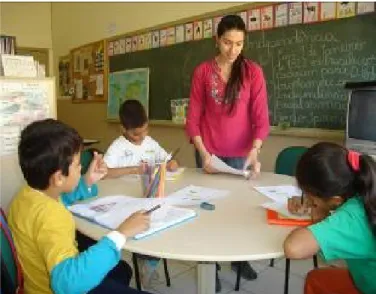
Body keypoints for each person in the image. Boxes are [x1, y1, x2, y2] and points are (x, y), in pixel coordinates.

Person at [8, 119, 151, 294]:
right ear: (59, 177)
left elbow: (62, 198)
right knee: (119, 269)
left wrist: (87, 181)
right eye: (77, 165)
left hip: (35, 283)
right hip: (62, 287)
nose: (81, 168)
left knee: (121, 270)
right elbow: (67, 284)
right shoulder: (52, 217)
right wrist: (121, 233)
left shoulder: (26, 196)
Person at [186, 14, 270, 290]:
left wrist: (255, 150)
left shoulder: (252, 72)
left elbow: (261, 117)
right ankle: (210, 268)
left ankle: (238, 258)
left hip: (241, 155)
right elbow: (194, 116)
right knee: (209, 210)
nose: (233, 50)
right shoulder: (202, 72)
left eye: (239, 44)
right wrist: (203, 152)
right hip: (209, 153)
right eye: (227, 43)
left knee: (239, 213)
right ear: (217, 40)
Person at [284, 142, 376, 294]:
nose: (307, 199)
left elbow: (293, 248)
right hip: (365, 279)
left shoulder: (353, 218)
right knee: (316, 279)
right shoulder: (367, 188)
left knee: (317, 281)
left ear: (336, 200)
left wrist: (319, 211)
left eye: (310, 196)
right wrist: (318, 202)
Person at [104, 99, 178, 178]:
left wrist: (172, 163)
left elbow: (167, 159)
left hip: (147, 187)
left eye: (145, 130)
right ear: (123, 129)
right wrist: (134, 170)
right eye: (136, 134)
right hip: (124, 188)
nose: (143, 136)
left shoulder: (150, 142)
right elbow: (104, 173)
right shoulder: (118, 146)